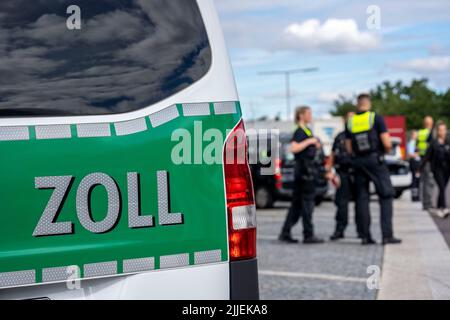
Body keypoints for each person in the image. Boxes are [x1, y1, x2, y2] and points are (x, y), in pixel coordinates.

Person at [345, 94, 402, 245]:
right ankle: (387, 235)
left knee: (362, 199)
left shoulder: (351, 121)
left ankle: (365, 236)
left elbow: (348, 147)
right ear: (368, 103)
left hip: (358, 161)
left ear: (358, 104)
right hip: (374, 159)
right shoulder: (375, 118)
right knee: (386, 195)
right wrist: (384, 151)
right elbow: (387, 142)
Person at [279, 106, 324, 244]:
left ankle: (285, 232)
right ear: (301, 115)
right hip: (304, 173)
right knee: (307, 205)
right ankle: (308, 235)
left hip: (305, 171)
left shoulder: (306, 130)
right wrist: (310, 141)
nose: (311, 115)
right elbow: (294, 148)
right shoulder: (299, 130)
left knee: (297, 205)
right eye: (309, 113)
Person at [329, 111, 363, 240]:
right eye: (348, 119)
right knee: (341, 204)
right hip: (342, 173)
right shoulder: (339, 137)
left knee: (360, 204)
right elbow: (332, 154)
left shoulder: (360, 135)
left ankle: (362, 231)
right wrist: (330, 172)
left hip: (357, 172)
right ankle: (339, 230)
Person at [419, 121, 450, 218]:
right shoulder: (434, 143)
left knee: (443, 188)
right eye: (440, 130)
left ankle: (439, 207)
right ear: (438, 131)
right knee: (441, 186)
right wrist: (420, 168)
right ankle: (444, 208)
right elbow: (427, 156)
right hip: (437, 168)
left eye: (444, 130)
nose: (442, 132)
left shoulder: (448, 142)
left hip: (447, 169)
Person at [417, 116, 435, 211]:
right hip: (428, 160)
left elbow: (417, 147)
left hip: (421, 159)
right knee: (429, 182)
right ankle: (427, 204)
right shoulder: (430, 133)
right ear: (431, 124)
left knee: (424, 182)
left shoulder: (420, 133)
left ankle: (425, 203)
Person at [407, 130, 421, 202]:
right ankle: (414, 196)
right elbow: (410, 154)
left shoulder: (415, 143)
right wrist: (418, 154)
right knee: (415, 179)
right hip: (414, 163)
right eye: (415, 135)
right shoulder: (411, 143)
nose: (417, 136)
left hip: (417, 163)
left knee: (416, 179)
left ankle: (416, 195)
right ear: (412, 135)